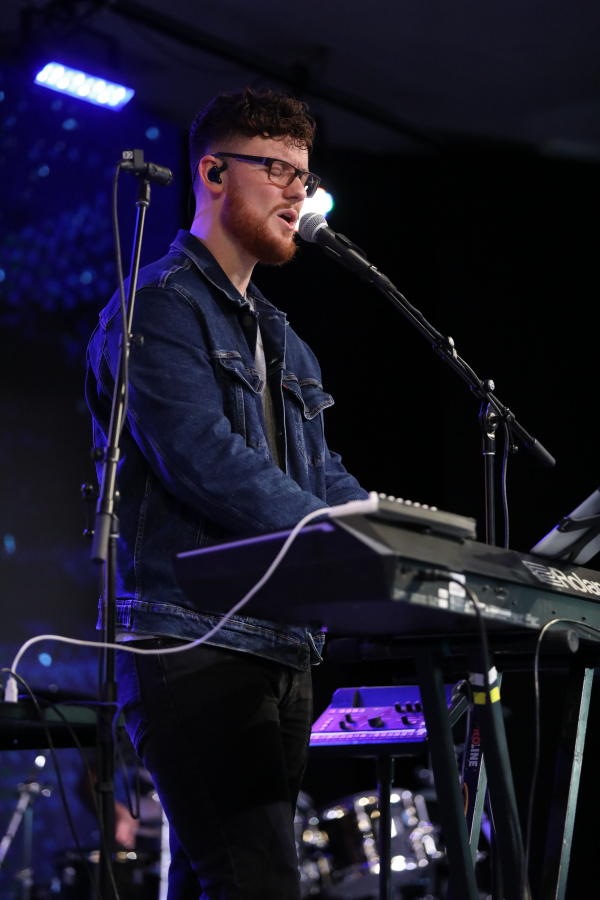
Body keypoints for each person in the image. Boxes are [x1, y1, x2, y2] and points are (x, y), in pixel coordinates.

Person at [85, 87, 368, 900]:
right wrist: (340, 534)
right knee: (257, 880)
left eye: (304, 177)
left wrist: (392, 532)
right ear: (213, 173)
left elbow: (320, 472)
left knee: (219, 878)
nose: (296, 193)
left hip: (284, 648)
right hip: (191, 641)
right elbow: (204, 460)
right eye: (277, 170)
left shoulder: (288, 343)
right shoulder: (158, 308)